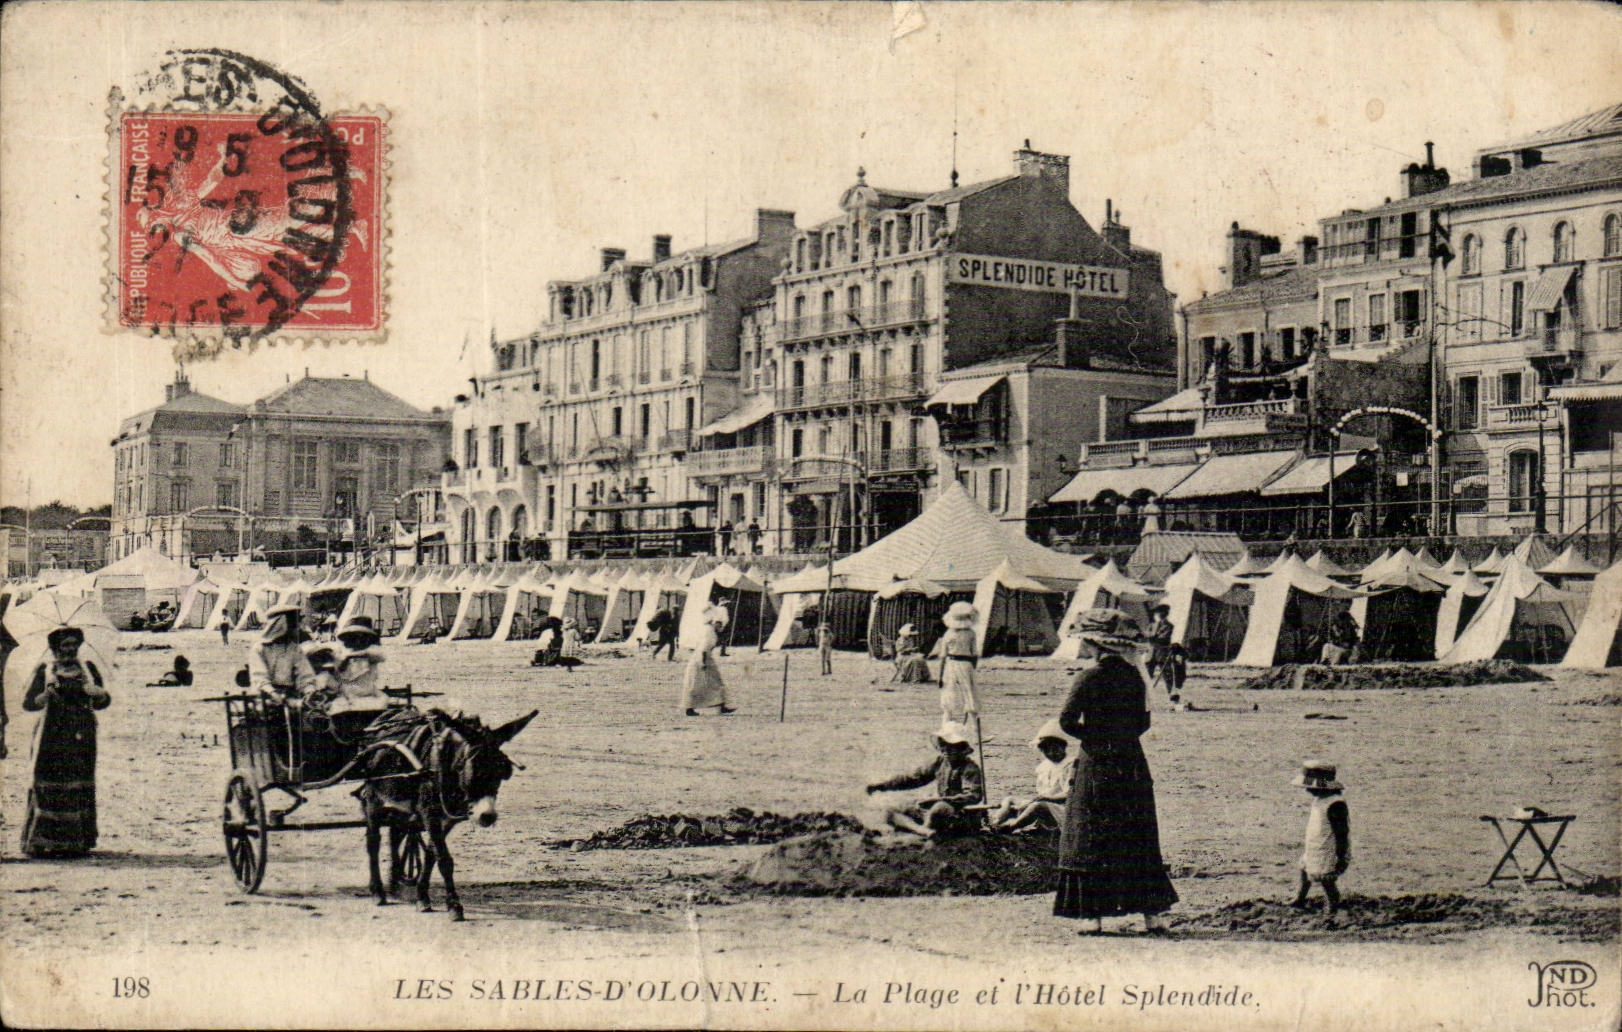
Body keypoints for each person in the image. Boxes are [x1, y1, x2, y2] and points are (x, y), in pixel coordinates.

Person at [1053, 609, 1177, 934]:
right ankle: (1153, 916)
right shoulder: (1134, 677)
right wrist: (1121, 737)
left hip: (1097, 762)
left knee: (1091, 835)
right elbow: (1144, 721)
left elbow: (1066, 721)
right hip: (1131, 762)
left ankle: (1091, 917)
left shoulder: (1088, 677)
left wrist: (1094, 737)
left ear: (1095, 644)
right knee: (1137, 835)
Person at [20, 627, 111, 857]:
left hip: (81, 736)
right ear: (55, 649)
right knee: (48, 782)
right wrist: (43, 697)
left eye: (73, 645)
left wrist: (98, 693)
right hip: (51, 736)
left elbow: (103, 701)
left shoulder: (88, 670)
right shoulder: (46, 671)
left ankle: (76, 842)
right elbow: (29, 703)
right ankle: (43, 841)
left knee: (78, 783)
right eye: (65, 646)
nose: (69, 650)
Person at [865, 722, 985, 838]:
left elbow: (973, 795)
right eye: (943, 745)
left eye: (951, 747)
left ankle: (920, 831)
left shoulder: (970, 769)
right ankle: (923, 831)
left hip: (960, 815)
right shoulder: (940, 762)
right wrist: (881, 786)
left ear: (962, 749)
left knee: (940, 808)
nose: (946, 750)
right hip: (936, 810)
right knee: (893, 809)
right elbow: (913, 778)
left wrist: (941, 800)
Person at [990, 719, 1076, 833]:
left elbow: (1069, 794)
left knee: (1038, 806)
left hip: (1062, 809)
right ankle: (995, 823)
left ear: (1063, 747)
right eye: (1046, 750)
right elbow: (1041, 792)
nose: (1051, 753)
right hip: (1044, 803)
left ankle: (1010, 827)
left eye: (1055, 749)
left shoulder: (1071, 765)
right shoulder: (1044, 767)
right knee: (1010, 800)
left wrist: (1047, 798)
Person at [1290, 761, 1350, 915]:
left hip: (1329, 847)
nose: (1308, 790)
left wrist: (1341, 854)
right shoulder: (1320, 800)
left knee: (1326, 879)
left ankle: (1332, 903)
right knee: (1304, 869)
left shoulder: (1335, 804)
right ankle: (1300, 897)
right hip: (1317, 844)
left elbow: (1342, 832)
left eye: (1310, 786)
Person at [248, 604, 317, 704]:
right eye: (293, 625)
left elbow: (305, 674)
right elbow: (259, 677)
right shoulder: (260, 648)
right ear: (281, 625)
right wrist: (272, 693)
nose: (297, 628)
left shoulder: (294, 649)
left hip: (290, 697)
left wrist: (309, 690)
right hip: (264, 698)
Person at [682, 605, 734, 716]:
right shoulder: (709, 631)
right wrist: (703, 662)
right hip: (701, 658)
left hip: (704, 657)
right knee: (697, 683)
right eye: (718, 623)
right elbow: (703, 648)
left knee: (715, 681)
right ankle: (689, 708)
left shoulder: (708, 630)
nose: (720, 626)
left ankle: (721, 705)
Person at [328, 619, 386, 713]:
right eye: (354, 636)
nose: (358, 640)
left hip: (367, 696)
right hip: (346, 697)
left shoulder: (371, 652)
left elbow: (381, 656)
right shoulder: (341, 653)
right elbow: (338, 668)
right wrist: (346, 658)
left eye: (361, 636)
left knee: (379, 704)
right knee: (337, 708)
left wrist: (356, 655)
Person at [937, 602, 980, 725]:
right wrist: (972, 669)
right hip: (966, 664)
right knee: (969, 694)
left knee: (949, 694)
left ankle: (946, 725)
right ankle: (974, 729)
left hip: (951, 664)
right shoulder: (971, 633)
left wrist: (940, 676)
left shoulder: (948, 634)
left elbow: (943, 657)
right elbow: (974, 654)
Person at [1143, 603, 1185, 703]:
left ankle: (1173, 696)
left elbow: (1163, 638)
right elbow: (1146, 635)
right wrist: (1152, 635)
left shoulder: (1169, 626)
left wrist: (1152, 636)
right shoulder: (1152, 625)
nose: (1159, 614)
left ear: (1166, 613)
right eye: (1158, 613)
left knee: (1167, 676)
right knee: (1147, 675)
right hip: (1150, 653)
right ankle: (1143, 695)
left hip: (1162, 653)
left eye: (1162, 612)